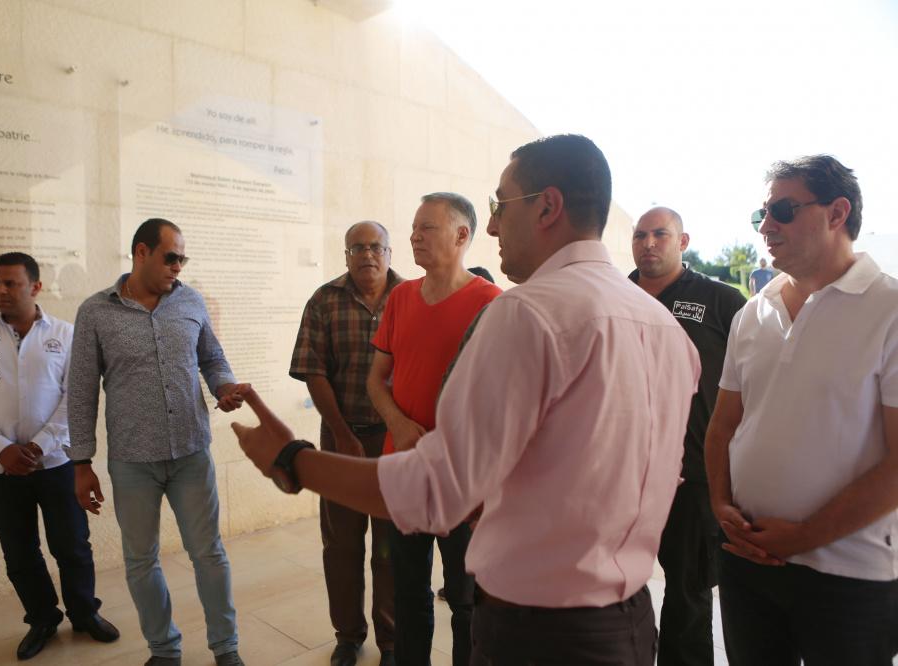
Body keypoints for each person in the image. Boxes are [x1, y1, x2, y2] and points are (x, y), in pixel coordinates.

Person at [232, 134, 701, 666]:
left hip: (538, 635)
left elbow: (432, 490)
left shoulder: (524, 313)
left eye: (501, 205)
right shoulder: (666, 329)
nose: (493, 227)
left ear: (547, 207)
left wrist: (292, 460)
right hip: (629, 625)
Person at [706, 155, 898, 665]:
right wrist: (721, 506)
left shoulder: (890, 310)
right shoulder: (753, 312)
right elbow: (723, 427)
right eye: (762, 214)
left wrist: (804, 538)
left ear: (837, 213)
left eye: (783, 211)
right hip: (747, 563)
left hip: (850, 578)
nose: (766, 226)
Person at [67, 219, 249, 666]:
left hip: (191, 452)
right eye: (171, 257)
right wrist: (81, 462)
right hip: (133, 461)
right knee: (140, 560)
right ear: (141, 252)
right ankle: (164, 651)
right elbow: (82, 390)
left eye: (182, 258)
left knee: (209, 554)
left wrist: (224, 386)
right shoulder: (95, 312)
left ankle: (226, 648)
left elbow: (212, 358)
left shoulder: (190, 301)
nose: (178, 267)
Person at [0, 252, 119, 661]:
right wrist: (1, 448)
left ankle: (84, 613)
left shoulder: (66, 334)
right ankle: (43, 618)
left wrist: (41, 444)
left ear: (36, 287)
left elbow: (77, 397)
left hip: (56, 464)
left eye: (11, 283)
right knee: (19, 551)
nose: (1, 291)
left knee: (72, 544)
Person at [366, 192, 501, 666]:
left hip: (464, 480)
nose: (413, 237)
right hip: (405, 468)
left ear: (462, 235)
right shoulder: (401, 297)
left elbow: (504, 399)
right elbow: (376, 380)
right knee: (408, 594)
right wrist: (399, 424)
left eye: (427, 228)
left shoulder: (492, 304)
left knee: (466, 600)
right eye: (413, 228)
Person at [630, 208, 746, 665]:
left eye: (660, 234)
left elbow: (755, 382)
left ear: (683, 242)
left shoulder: (721, 301)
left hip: (694, 474)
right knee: (616, 586)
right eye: (640, 234)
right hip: (623, 473)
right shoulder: (615, 294)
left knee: (688, 594)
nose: (648, 243)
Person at [289, 221, 402, 666]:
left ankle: (391, 640)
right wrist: (341, 433)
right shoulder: (324, 300)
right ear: (346, 254)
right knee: (341, 546)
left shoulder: (411, 297)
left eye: (375, 247)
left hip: (395, 443)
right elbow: (313, 369)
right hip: (340, 439)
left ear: (389, 253)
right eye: (358, 247)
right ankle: (349, 636)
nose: (367, 254)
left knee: (391, 548)